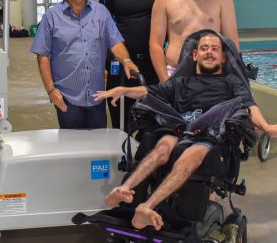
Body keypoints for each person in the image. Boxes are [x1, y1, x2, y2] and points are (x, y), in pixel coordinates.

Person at [94, 32, 277, 231]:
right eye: (204, 49)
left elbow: (248, 104)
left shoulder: (232, 82)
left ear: (223, 57)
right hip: (180, 127)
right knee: (161, 149)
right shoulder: (181, 82)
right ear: (195, 55)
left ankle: (146, 207)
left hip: (211, 132)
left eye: (215, 49)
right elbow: (151, 91)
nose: (209, 53)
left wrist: (266, 127)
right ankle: (124, 189)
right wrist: (123, 90)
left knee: (190, 156)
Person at [31, 0, 138, 129]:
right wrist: (51, 90)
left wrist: (127, 60)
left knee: (96, 147)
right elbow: (43, 55)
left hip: (97, 96)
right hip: (67, 97)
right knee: (71, 147)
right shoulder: (51, 17)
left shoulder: (101, 12)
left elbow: (115, 42)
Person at [99, 0, 173, 130]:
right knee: (120, 115)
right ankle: (122, 158)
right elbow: (103, 27)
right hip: (122, 64)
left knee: (157, 117)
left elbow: (176, 21)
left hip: (155, 63)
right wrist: (108, 64)